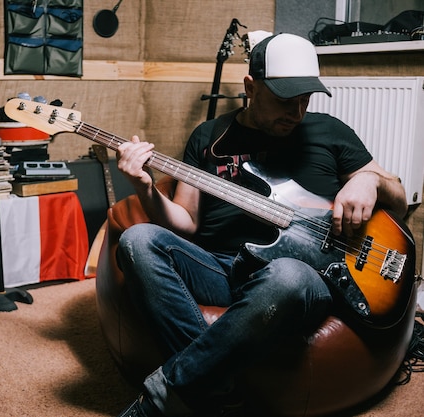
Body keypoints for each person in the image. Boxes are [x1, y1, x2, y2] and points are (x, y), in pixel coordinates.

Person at [114, 33, 408, 417]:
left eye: (306, 100)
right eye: (286, 99)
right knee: (136, 240)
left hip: (302, 277)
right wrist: (144, 187)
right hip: (220, 268)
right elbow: (184, 224)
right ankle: (214, 390)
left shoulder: (330, 132)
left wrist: (370, 180)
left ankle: (160, 401)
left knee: (286, 275)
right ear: (250, 87)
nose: (297, 112)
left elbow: (398, 199)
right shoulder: (208, 136)